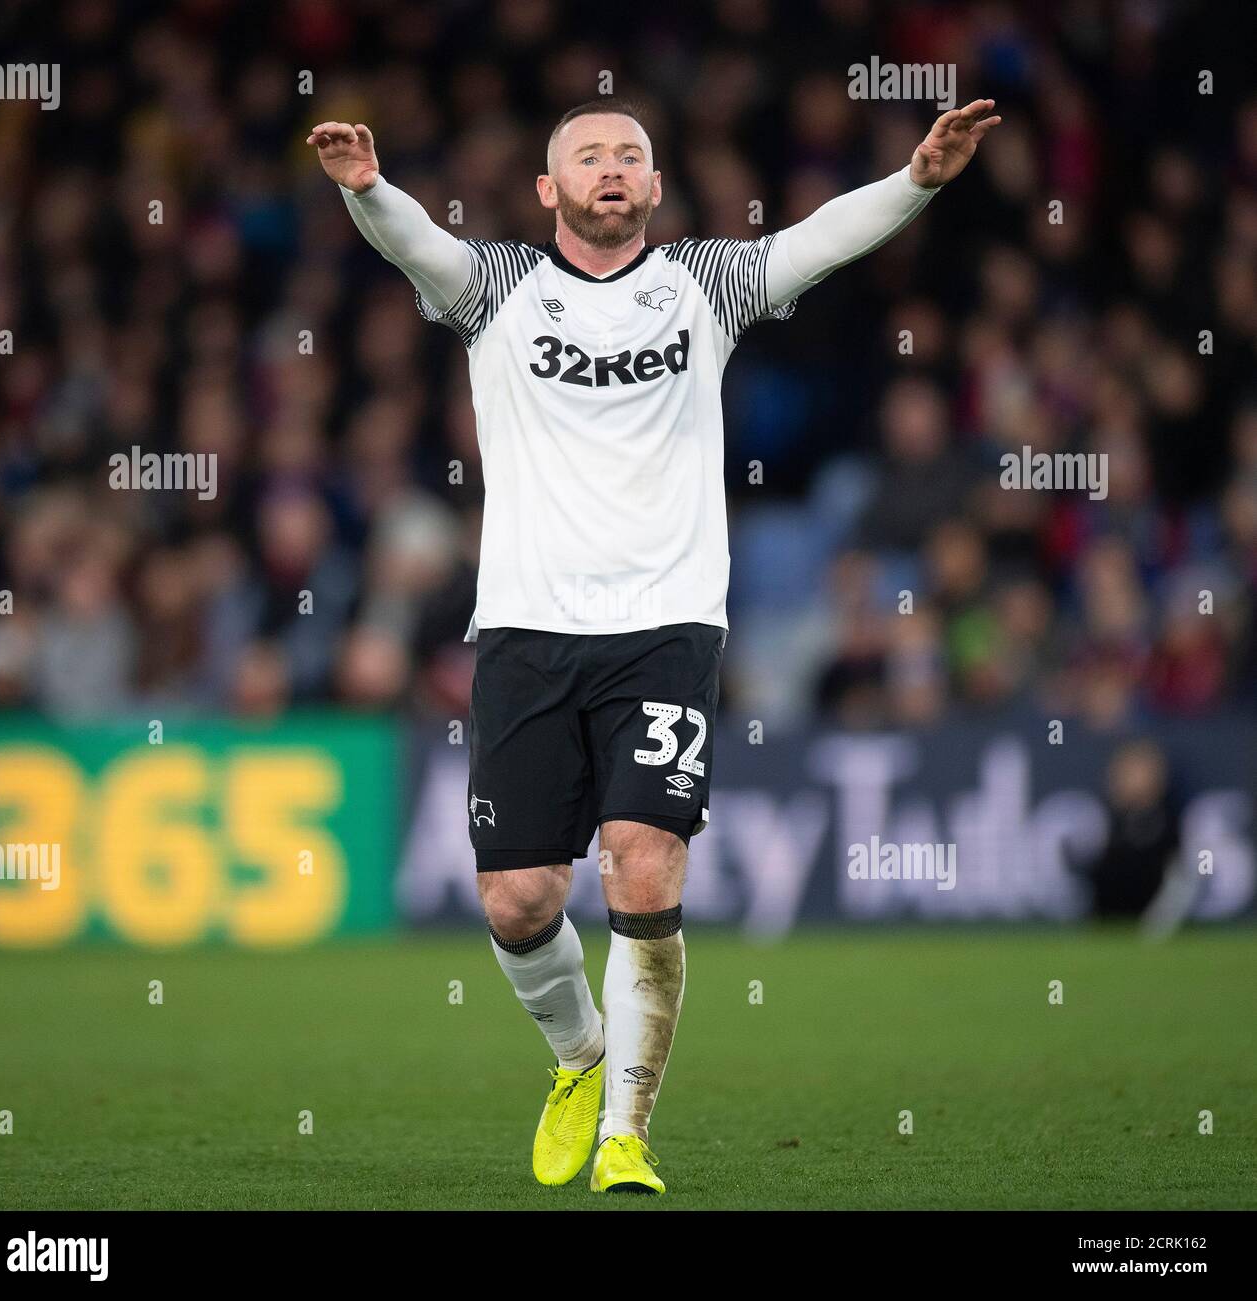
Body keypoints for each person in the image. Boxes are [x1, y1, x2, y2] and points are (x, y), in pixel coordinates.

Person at [308, 92, 1000, 1195]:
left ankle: (628, 1130)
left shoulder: (703, 285)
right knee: (519, 900)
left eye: (630, 154)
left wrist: (917, 178)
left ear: (656, 186)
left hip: (668, 625)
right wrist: (367, 189)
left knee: (643, 861)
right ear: (548, 190)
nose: (611, 168)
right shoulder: (497, 291)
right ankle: (579, 1057)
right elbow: (420, 247)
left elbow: (815, 242)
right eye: (587, 156)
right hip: (529, 627)